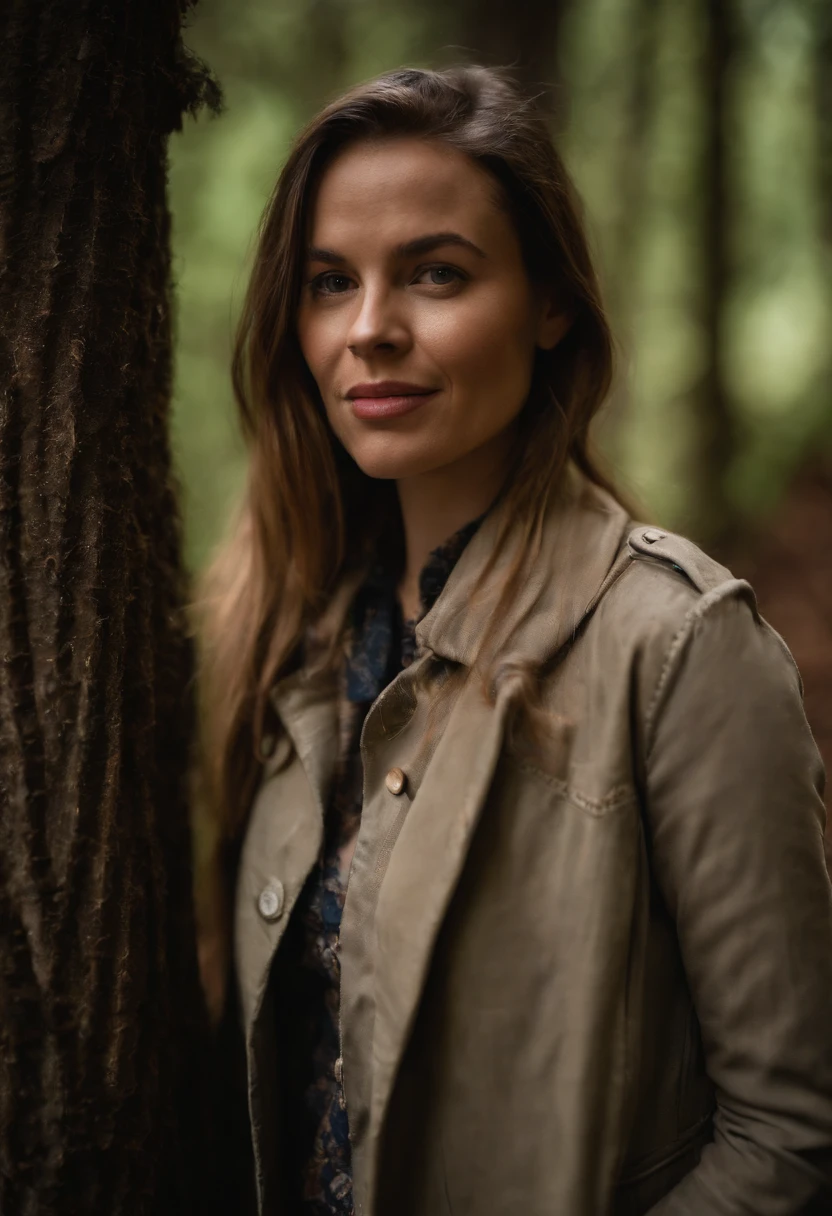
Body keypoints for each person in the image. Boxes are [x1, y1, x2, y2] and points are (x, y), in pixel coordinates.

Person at [196, 65, 832, 1216]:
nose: (370, 329)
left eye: (436, 273)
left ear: (550, 306)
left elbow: (793, 1130)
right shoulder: (281, 643)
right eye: (330, 282)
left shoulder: (678, 645)